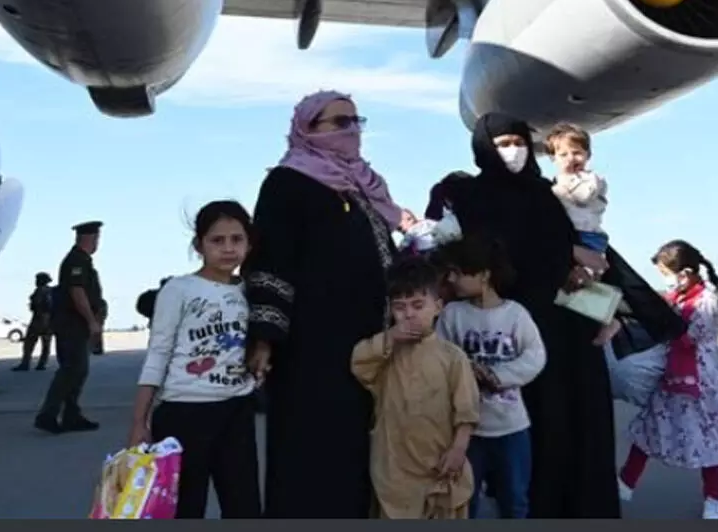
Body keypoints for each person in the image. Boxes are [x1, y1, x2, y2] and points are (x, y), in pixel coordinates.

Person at [424, 112, 684, 519]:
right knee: (531, 433)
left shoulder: (547, 193)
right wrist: (564, 255)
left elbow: (586, 261)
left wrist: (604, 301)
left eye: (519, 140)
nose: (513, 150)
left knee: (579, 423)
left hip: (567, 328)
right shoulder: (473, 196)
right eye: (503, 142)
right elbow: (496, 251)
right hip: (510, 328)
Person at [244, 91, 403, 518]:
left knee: (359, 457)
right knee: (311, 457)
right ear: (307, 128)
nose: (350, 129)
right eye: (338, 121)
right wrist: (264, 337)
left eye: (356, 120)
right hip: (312, 351)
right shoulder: (287, 183)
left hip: (369, 347)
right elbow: (270, 261)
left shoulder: (363, 185)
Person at [127, 201, 261, 519]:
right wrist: (138, 421)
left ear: (249, 243)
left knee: (244, 507)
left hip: (236, 412)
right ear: (198, 245)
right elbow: (158, 353)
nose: (228, 248)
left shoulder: (251, 292)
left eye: (236, 239)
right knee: (185, 508)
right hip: (183, 415)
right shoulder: (179, 290)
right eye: (217, 240)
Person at [617, 241, 718, 520]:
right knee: (649, 428)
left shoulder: (705, 301)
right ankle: (625, 482)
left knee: (707, 438)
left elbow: (690, 337)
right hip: (670, 375)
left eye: (667, 273)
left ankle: (714, 499)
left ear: (686, 272)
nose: (666, 281)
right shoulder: (676, 297)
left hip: (698, 381)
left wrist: (660, 322)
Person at [351, 255, 481, 519]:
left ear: (438, 306)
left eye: (418, 305)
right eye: (400, 307)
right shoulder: (386, 353)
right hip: (394, 470)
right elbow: (359, 363)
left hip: (439, 467)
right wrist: (389, 338)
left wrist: (458, 449)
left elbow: (467, 410)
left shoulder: (452, 357)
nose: (409, 314)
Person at [434, 232, 547, 519]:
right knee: (463, 502)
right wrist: (463, 372)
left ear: (483, 274)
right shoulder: (452, 315)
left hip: (511, 428)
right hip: (467, 430)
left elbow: (535, 356)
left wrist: (497, 375)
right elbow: (439, 357)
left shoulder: (515, 315)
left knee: (514, 501)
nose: (450, 280)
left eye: (457, 273)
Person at [34, 221, 104, 434]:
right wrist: (92, 320)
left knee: (78, 370)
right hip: (71, 324)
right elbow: (77, 292)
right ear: (89, 238)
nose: (97, 243)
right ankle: (48, 415)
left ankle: (71, 415)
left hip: (75, 324)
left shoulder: (82, 260)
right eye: (96, 238)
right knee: (71, 369)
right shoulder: (76, 261)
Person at [545, 123, 610, 255]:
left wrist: (561, 185)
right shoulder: (556, 181)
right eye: (563, 155)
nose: (571, 158)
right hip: (568, 235)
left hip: (588, 236)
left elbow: (583, 196)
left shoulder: (592, 179)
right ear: (554, 158)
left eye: (577, 153)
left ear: (587, 155)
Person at [13, 272, 54, 372]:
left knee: (29, 343)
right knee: (46, 344)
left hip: (39, 319)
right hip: (49, 320)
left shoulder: (40, 291)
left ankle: (25, 364)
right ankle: (41, 364)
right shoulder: (51, 291)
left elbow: (37, 304)